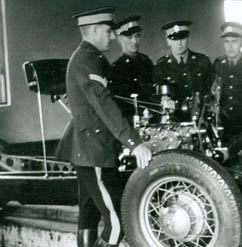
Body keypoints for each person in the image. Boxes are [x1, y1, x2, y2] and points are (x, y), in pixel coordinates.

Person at [59, 7, 152, 247]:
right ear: (94, 30)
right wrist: (134, 143)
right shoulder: (86, 60)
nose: (113, 36)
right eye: (109, 31)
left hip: (91, 151)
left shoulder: (94, 58)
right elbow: (104, 103)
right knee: (119, 221)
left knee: (88, 216)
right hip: (94, 153)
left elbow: (117, 97)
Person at [153, 20, 214, 121]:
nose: (179, 43)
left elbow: (211, 92)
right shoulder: (160, 67)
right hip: (174, 122)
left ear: (188, 38)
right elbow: (157, 100)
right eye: (174, 39)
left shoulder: (202, 61)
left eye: (183, 38)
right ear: (168, 41)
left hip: (200, 120)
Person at [110, 15, 154, 118]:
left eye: (137, 36)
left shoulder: (146, 61)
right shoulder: (116, 68)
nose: (134, 41)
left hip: (151, 116)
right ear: (120, 39)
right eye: (130, 37)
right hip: (130, 119)